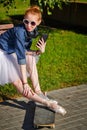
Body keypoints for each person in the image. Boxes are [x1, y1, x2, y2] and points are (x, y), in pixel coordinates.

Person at [0, 5, 66, 115]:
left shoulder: (33, 32)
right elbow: (21, 56)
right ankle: (47, 103)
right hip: (2, 52)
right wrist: (25, 82)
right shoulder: (20, 32)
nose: (29, 25)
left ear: (38, 23)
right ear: (23, 20)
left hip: (12, 51)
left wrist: (40, 51)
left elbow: (25, 51)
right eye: (26, 22)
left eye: (32, 23)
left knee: (31, 58)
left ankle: (38, 92)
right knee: (18, 81)